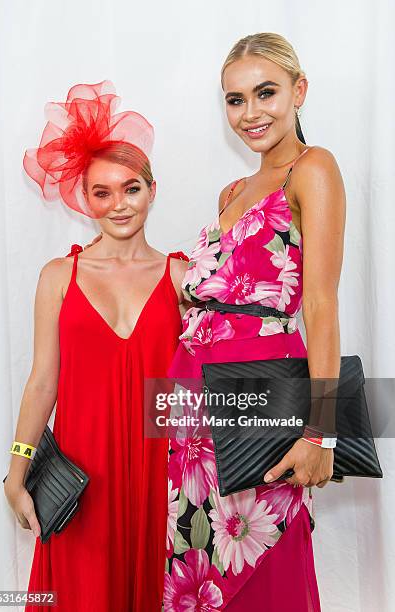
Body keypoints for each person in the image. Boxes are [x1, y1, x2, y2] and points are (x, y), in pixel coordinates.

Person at [162, 33, 345, 611]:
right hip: (192, 396)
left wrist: (320, 431)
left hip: (261, 387)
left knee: (262, 555)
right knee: (200, 561)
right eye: (235, 99)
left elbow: (318, 304)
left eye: (265, 93)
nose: (250, 113)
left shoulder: (311, 169)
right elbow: (221, 290)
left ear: (300, 91)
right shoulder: (232, 192)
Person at [3, 80, 189, 611]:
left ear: (152, 190)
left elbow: (219, 368)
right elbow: (42, 381)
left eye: (131, 188)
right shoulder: (59, 276)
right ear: (84, 200)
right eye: (101, 193)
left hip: (160, 472)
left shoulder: (182, 276)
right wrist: (17, 474)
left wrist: (308, 420)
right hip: (84, 479)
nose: (118, 204)